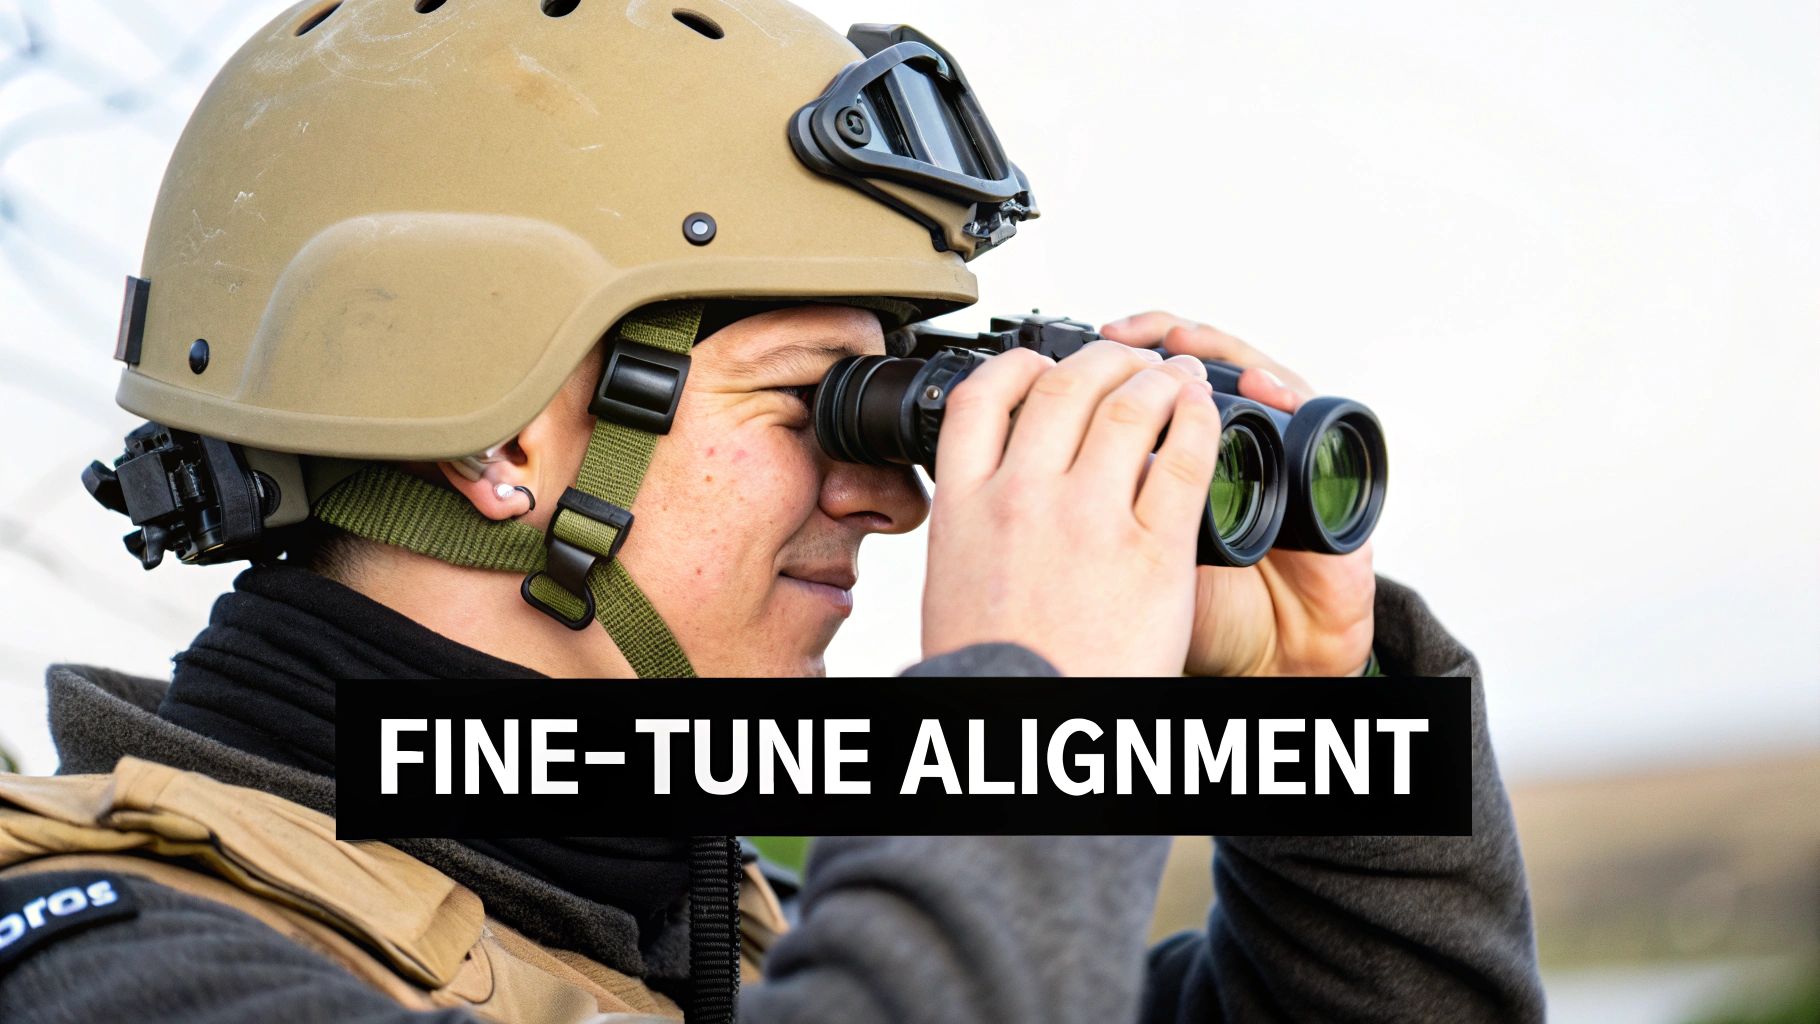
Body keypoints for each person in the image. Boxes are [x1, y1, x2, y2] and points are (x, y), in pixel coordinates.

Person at [0, 1, 1543, 1022]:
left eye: (904, 399)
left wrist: (1317, 735)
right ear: (494, 440)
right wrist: (1020, 730)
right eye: (811, 399)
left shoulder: (734, 941)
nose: (887, 495)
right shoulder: (108, 964)